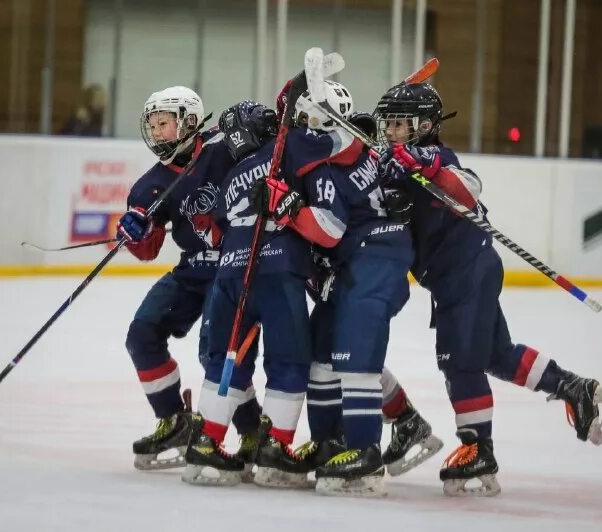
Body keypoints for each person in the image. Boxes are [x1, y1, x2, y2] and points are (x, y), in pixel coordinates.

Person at [375, 82, 602, 497]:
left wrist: (423, 162)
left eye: (401, 124)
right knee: (493, 354)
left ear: (426, 127)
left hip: (466, 270)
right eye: (388, 125)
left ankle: (478, 448)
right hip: (458, 273)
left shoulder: (435, 157)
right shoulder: (394, 164)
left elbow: (469, 188)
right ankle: (577, 388)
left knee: (459, 360)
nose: (392, 132)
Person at [264, 80, 415, 497]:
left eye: (295, 121)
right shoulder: (356, 149)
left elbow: (329, 229)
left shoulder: (326, 165)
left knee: (352, 357)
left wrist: (288, 208)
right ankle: (332, 444)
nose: (290, 131)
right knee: (321, 354)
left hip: (373, 260)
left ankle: (364, 453)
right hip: (360, 262)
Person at [118, 86, 260, 471]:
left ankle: (252, 431)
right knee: (142, 334)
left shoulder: (222, 149)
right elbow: (148, 250)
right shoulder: (149, 185)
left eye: (164, 123)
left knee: (216, 348)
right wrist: (137, 232)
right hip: (195, 266)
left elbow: (266, 154)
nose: (157, 131)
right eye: (153, 124)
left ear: (190, 123)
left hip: (237, 262)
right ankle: (174, 420)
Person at [182, 100, 313, 488]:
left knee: (228, 361)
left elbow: (218, 231)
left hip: (229, 277)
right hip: (275, 271)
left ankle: (205, 446)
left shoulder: (230, 180)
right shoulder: (279, 151)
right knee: (289, 361)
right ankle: (275, 452)